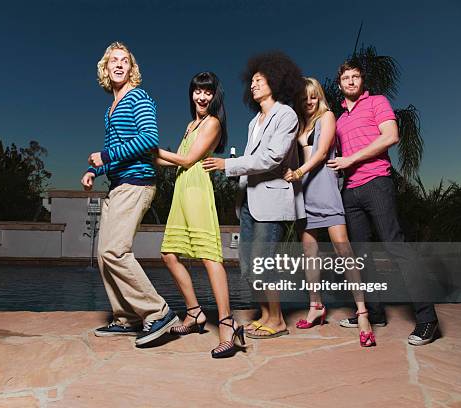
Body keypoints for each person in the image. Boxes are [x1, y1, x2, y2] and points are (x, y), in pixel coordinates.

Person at [327, 59, 439, 345]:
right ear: (339, 84)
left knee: (395, 247)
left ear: (362, 81)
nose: (351, 81)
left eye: (355, 77)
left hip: (377, 182)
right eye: (346, 78)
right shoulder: (339, 120)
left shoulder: (377, 102)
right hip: (350, 191)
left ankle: (428, 320)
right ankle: (373, 313)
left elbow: (391, 136)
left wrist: (351, 159)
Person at [203, 52, 305, 339]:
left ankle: (278, 321)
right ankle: (265, 315)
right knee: (249, 263)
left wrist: (227, 165)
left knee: (264, 262)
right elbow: (253, 160)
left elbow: (271, 158)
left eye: (260, 80)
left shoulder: (286, 115)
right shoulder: (254, 121)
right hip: (249, 200)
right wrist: (239, 197)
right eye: (252, 81)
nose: (253, 85)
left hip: (271, 200)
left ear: (275, 81)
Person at [81, 41, 177, 347]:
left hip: (137, 183)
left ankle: (158, 311)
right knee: (103, 255)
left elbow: (149, 140)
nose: (119, 65)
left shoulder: (138, 97)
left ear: (131, 68)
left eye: (124, 61)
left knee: (115, 251)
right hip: (117, 185)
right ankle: (127, 318)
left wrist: (105, 157)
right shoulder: (110, 108)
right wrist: (94, 171)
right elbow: (115, 153)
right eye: (113, 61)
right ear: (105, 69)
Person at [154, 72, 245, 358]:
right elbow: (174, 163)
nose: (201, 97)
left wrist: (153, 149)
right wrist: (141, 154)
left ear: (214, 96)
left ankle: (227, 324)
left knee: (209, 256)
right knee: (169, 254)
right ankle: (195, 313)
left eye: (207, 92)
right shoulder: (190, 124)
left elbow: (187, 160)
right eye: (197, 91)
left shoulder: (212, 123)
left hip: (196, 191)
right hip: (182, 190)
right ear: (191, 93)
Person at [283, 77, 375, 346]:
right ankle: (316, 306)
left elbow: (322, 153)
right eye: (303, 98)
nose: (308, 102)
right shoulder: (301, 123)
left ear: (319, 96)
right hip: (304, 192)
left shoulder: (327, 116)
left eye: (313, 96)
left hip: (324, 188)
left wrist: (298, 172)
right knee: (309, 253)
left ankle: (363, 313)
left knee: (343, 250)